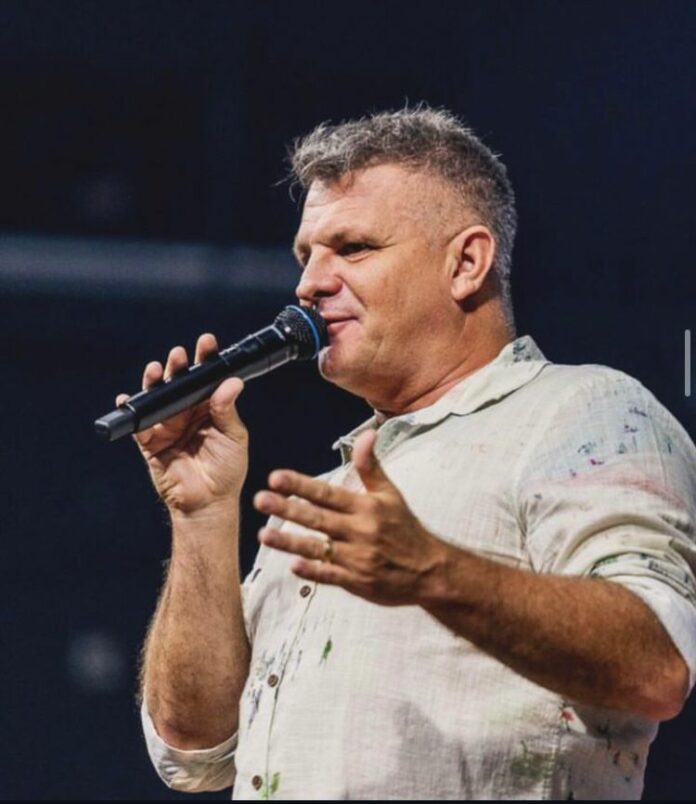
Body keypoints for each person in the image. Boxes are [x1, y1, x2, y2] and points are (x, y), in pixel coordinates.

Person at [128, 106, 696, 799]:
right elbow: (195, 752)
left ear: (466, 263)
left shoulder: (585, 411)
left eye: (355, 248)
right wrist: (203, 515)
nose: (309, 284)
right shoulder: (328, 497)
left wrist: (434, 572)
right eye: (306, 256)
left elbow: (657, 669)